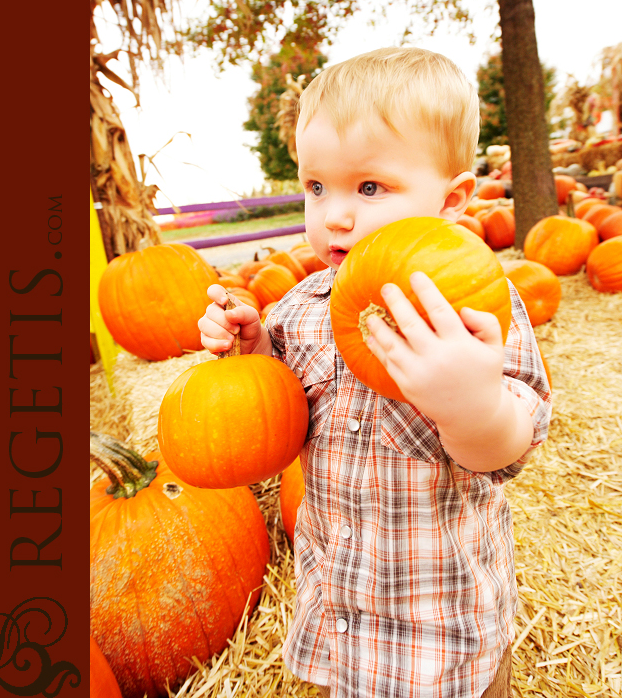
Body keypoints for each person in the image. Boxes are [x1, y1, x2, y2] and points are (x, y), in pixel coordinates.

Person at [198, 47, 552, 698]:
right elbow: (282, 407)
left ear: (451, 201)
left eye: (368, 188)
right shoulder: (301, 306)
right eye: (316, 187)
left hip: (444, 631)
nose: (334, 213)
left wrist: (471, 407)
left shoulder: (474, 306)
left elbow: (510, 448)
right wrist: (253, 352)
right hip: (345, 616)